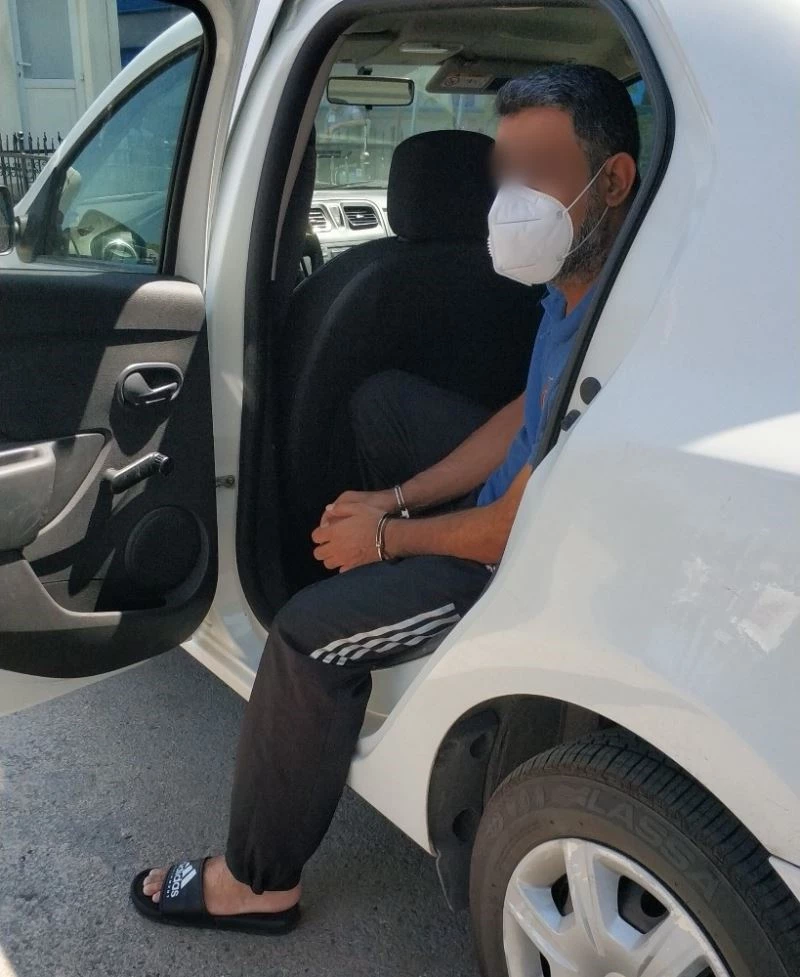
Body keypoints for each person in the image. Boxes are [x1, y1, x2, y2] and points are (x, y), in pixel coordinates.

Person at [130, 63, 640, 933]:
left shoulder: (625, 319)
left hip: (515, 563)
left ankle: (258, 882)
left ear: (615, 180)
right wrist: (393, 496)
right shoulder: (578, 283)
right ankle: (361, 571)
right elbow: (526, 413)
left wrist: (386, 540)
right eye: (505, 175)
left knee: (305, 638)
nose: (512, 202)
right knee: (381, 404)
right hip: (512, 505)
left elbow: (514, 528)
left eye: (540, 174)